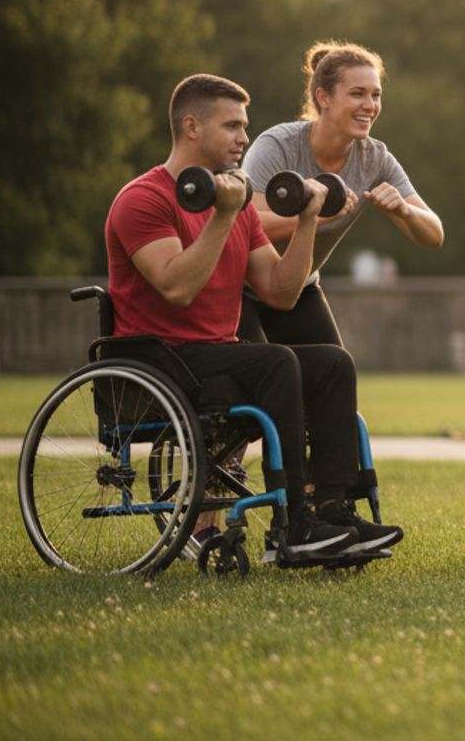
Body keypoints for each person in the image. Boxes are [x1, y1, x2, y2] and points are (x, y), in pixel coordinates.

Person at [104, 74, 403, 565]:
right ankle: (294, 523)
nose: (245, 137)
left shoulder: (237, 205)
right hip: (159, 359)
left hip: (216, 356)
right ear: (192, 126)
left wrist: (309, 220)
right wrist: (223, 216)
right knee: (276, 361)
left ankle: (332, 509)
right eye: (233, 126)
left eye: (245, 126)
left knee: (331, 363)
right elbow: (177, 288)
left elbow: (280, 293)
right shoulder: (144, 199)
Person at [238, 40, 443, 347]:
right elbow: (247, 225)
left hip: (299, 285)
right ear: (324, 98)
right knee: (274, 373)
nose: (370, 105)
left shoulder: (375, 159)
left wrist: (404, 210)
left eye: (376, 95)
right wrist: (315, 217)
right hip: (241, 284)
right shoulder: (278, 145)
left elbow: (434, 235)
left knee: (336, 369)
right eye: (357, 94)